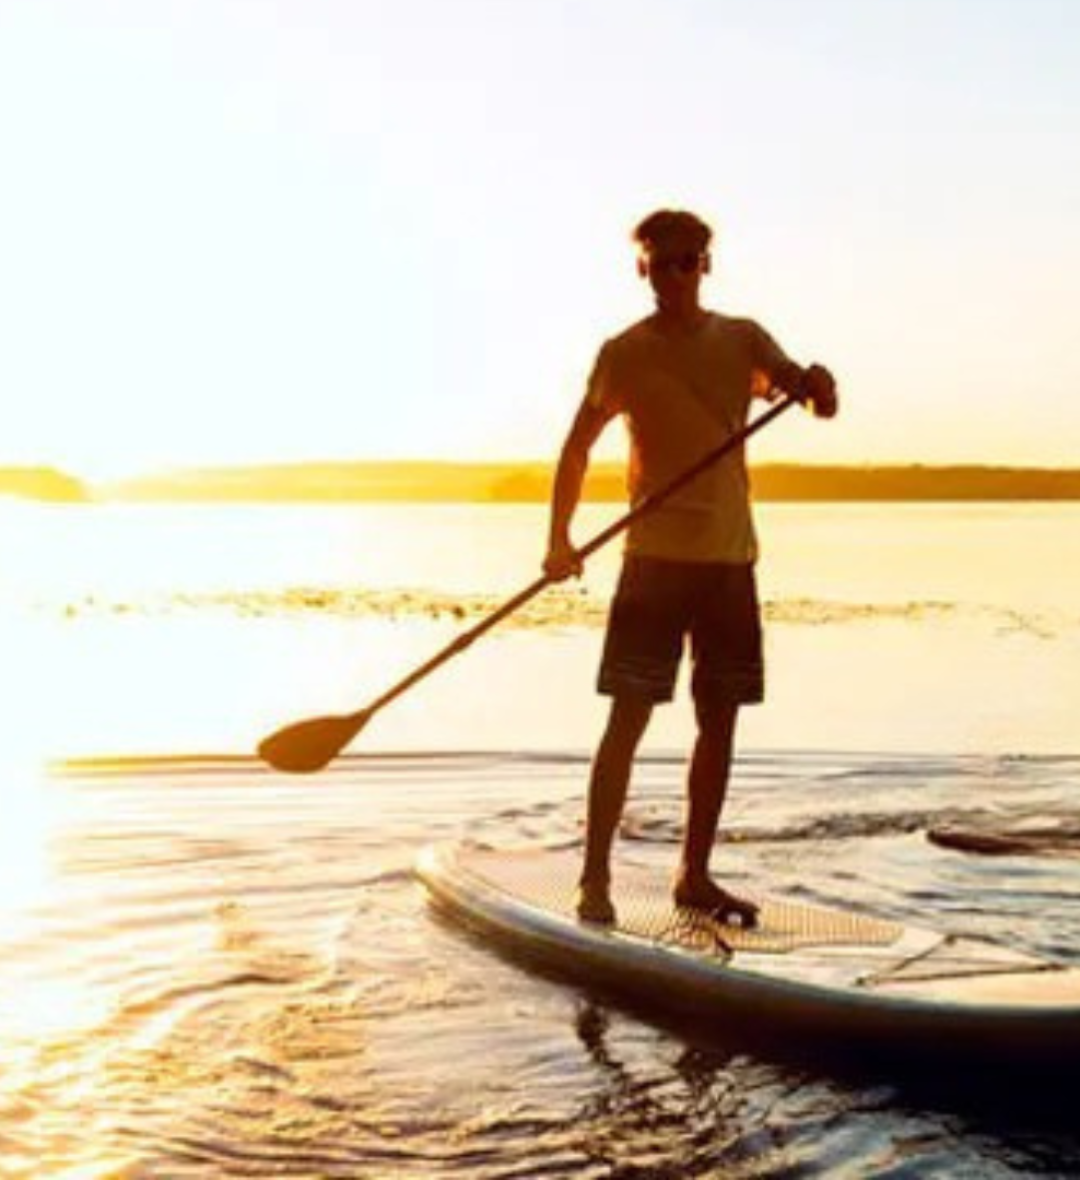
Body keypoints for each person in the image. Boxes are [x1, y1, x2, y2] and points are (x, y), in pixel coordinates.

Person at [543, 209, 837, 926]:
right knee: (628, 719)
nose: (672, 275)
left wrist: (820, 384)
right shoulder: (623, 354)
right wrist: (559, 538)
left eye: (685, 261)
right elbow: (577, 447)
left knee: (719, 721)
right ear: (641, 267)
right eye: (659, 262)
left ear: (705, 265)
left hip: (728, 561)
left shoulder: (743, 340)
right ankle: (594, 879)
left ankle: (693, 875)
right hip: (653, 563)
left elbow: (813, 400)